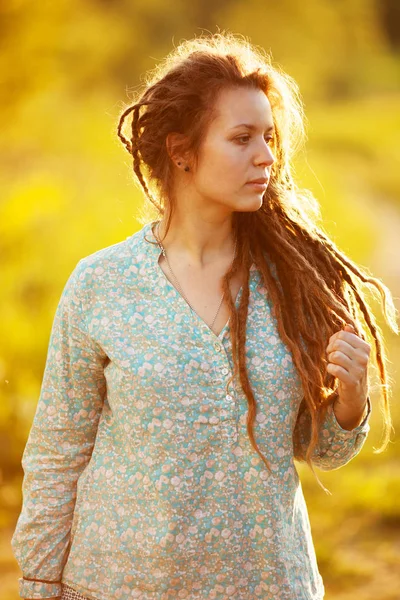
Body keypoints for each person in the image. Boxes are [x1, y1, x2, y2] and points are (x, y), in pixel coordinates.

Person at [11, 32, 398, 600]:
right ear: (181, 151)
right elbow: (57, 452)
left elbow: (318, 451)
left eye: (269, 137)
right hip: (118, 585)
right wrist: (40, 583)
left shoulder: (295, 282)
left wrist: (350, 402)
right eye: (241, 139)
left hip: (268, 583)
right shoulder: (102, 284)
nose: (266, 156)